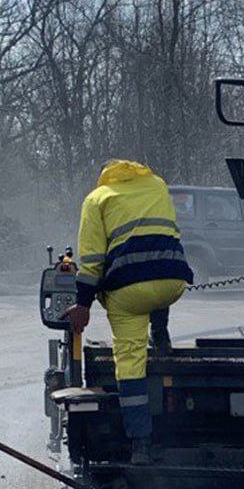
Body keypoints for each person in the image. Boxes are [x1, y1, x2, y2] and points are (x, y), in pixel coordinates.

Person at [63, 160, 194, 464]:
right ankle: (160, 333)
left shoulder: (97, 199)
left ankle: (141, 444)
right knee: (156, 285)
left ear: (105, 177)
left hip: (129, 294)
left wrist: (83, 305)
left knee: (130, 360)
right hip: (173, 282)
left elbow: (93, 261)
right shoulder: (158, 184)